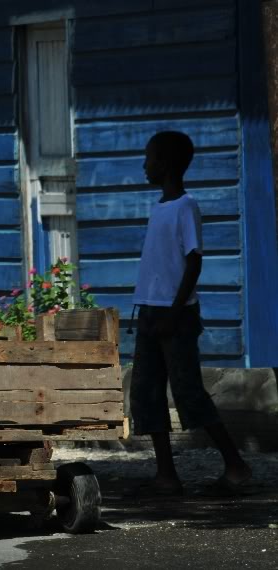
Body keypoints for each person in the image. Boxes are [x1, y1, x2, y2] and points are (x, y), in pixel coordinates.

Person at [130, 130, 251, 496]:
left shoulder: (186, 206)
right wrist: (152, 311)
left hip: (175, 316)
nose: (144, 164)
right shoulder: (160, 206)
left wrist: (175, 310)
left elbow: (193, 263)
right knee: (147, 393)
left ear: (164, 164)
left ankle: (236, 466)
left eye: (149, 157)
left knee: (188, 392)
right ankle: (166, 475)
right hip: (150, 312)